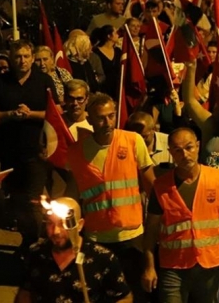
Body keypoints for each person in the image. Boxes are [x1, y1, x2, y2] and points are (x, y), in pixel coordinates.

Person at [66, 93, 155, 301]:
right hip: (96, 237)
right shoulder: (76, 151)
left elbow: (151, 185)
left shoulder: (133, 141)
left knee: (134, 293)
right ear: (89, 119)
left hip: (131, 237)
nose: (107, 122)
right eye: (100, 117)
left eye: (111, 116)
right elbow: (73, 192)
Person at [141, 128, 219, 302]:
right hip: (173, 266)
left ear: (198, 146)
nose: (185, 154)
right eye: (177, 150)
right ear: (170, 153)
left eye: (189, 147)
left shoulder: (217, 178)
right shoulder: (161, 186)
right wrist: (149, 266)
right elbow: (151, 230)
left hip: (209, 265)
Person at [17, 197, 133, 303]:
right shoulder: (36, 253)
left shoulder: (103, 258)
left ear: (80, 225)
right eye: (50, 224)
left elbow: (124, 298)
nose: (56, 231)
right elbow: (25, 292)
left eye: (63, 224)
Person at [0, 40, 59, 172]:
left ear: (32, 58)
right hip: (8, 150)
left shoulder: (44, 81)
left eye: (26, 56)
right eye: (18, 57)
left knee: (34, 192)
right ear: (11, 58)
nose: (23, 61)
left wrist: (30, 114)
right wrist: (11, 114)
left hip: (37, 150)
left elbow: (57, 113)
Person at [91, 25, 122, 96]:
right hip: (103, 88)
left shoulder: (118, 51)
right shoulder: (96, 52)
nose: (118, 35)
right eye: (116, 33)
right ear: (109, 36)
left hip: (117, 88)